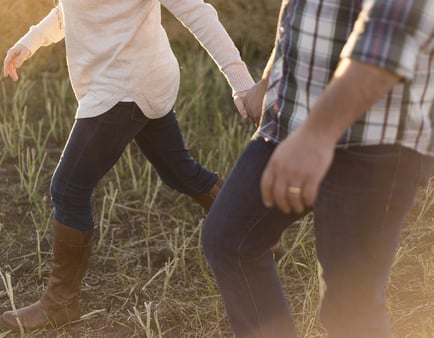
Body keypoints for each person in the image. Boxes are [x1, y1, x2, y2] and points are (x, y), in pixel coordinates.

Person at [1, 0, 256, 331]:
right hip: (141, 77)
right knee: (180, 172)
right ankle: (253, 232)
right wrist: (30, 41)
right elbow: (71, 10)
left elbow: (196, 11)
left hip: (124, 86)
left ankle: (61, 302)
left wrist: (243, 85)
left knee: (68, 188)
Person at [201, 0, 434, 337]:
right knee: (229, 240)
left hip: (373, 139)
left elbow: (390, 39)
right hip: (294, 120)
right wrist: (269, 79)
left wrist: (317, 135)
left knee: (349, 307)